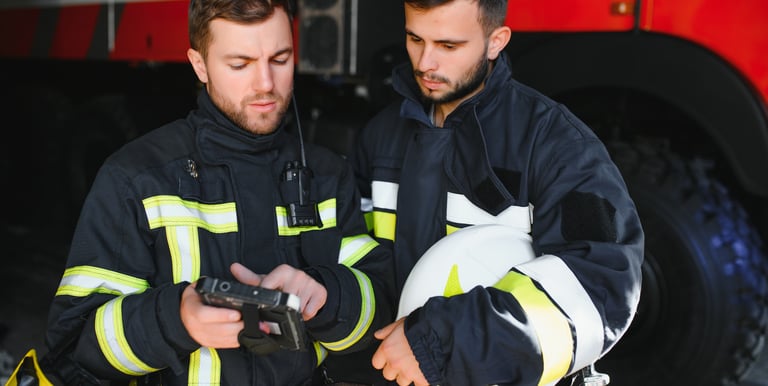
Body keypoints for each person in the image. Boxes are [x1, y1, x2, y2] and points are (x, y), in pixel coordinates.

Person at [41, 0, 395, 384]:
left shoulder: (328, 175)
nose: (265, 83)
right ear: (199, 64)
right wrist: (177, 319)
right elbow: (75, 346)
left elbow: (380, 307)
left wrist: (327, 297)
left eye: (280, 59)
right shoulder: (136, 177)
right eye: (240, 64)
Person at [348, 0, 645, 385]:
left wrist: (443, 343)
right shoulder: (379, 137)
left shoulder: (554, 145)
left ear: (495, 41)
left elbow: (599, 287)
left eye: (449, 46)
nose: (425, 63)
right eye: (414, 39)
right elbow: (355, 257)